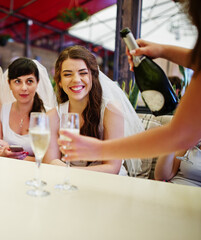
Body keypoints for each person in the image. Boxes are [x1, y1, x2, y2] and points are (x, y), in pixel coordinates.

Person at [57, 0, 201, 162]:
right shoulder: (57, 112)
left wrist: (98, 149)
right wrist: (162, 50)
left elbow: (179, 135)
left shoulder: (109, 109)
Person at [44, 45, 144, 175]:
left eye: (83, 73)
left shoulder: (111, 110)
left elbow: (112, 167)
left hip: (107, 181)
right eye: (68, 74)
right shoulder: (52, 116)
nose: (76, 80)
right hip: (66, 181)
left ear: (93, 77)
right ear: (60, 82)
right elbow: (50, 162)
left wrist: (69, 172)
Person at [0, 57, 51, 161]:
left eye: (29, 81)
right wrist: (4, 154)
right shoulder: (1, 110)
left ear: (37, 83)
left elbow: (50, 160)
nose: (24, 88)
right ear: (9, 84)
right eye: (18, 81)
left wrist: (15, 156)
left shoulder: (49, 114)